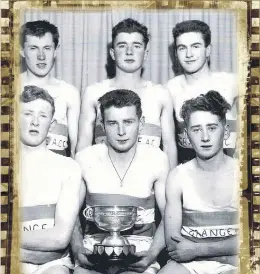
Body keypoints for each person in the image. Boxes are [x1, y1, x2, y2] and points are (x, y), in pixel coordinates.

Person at [72, 89, 169, 274]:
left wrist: (151, 255)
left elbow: (170, 216)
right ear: (102, 126)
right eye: (112, 123)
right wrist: (77, 250)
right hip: (93, 257)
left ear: (141, 124)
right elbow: (71, 214)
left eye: (128, 122)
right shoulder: (85, 158)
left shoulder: (157, 159)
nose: (121, 131)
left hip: (139, 258)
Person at [154, 91, 239, 274]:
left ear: (225, 132)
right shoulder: (178, 176)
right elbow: (173, 244)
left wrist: (199, 249)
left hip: (231, 265)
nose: (205, 137)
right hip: (189, 264)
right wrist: (227, 249)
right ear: (186, 136)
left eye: (212, 127)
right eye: (196, 129)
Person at [76, 18, 177, 169]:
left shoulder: (160, 94)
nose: (129, 52)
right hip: (104, 180)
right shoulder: (94, 93)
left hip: (148, 184)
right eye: (122, 46)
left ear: (146, 53)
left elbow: (169, 147)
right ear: (112, 53)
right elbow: (83, 146)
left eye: (136, 46)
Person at [20, 85, 82, 274]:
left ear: (52, 123)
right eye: (27, 113)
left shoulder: (69, 168)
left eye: (43, 115)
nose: (35, 122)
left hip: (54, 264)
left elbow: (60, 239)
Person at [166, 20, 238, 163]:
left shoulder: (231, 83)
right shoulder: (170, 89)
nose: (189, 54)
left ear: (208, 50)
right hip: (189, 174)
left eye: (195, 46)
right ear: (175, 53)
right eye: (182, 48)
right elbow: (169, 145)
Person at [20, 20, 80, 157]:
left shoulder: (69, 92)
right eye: (33, 48)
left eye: (47, 48)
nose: (41, 56)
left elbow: (75, 148)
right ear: (22, 51)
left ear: (55, 50)